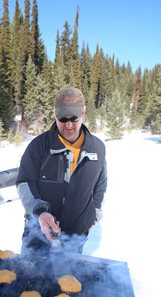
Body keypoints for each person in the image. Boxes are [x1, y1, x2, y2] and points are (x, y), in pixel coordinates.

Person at [16, 86, 107, 258]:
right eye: (62, 118)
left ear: (84, 113)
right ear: (55, 114)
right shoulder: (38, 146)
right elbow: (25, 182)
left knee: (68, 279)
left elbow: (100, 185)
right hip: (38, 230)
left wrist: (94, 217)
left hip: (75, 235)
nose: (69, 124)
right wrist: (40, 213)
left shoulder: (97, 149)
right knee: (29, 275)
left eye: (74, 118)